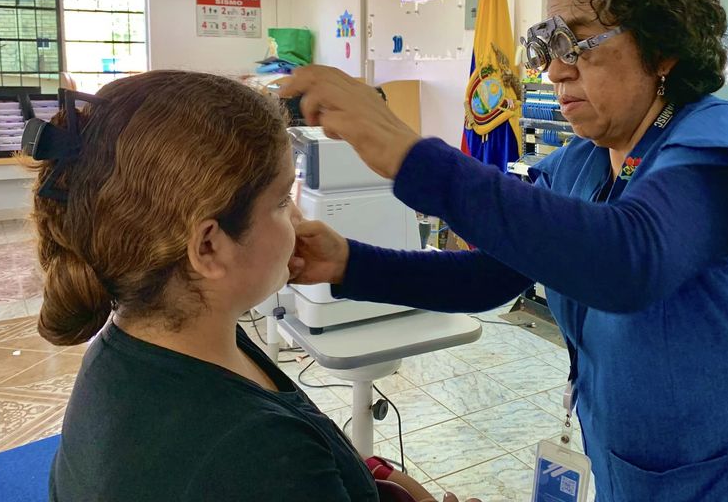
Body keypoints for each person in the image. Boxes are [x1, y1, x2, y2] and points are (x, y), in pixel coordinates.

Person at [281, 0, 728, 502]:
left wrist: (410, 155)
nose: (554, 71)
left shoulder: (727, 145)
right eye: (547, 46)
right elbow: (491, 276)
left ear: (662, 48)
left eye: (576, 43)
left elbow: (630, 261)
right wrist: (348, 264)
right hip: (633, 479)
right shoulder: (583, 161)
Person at [23, 71, 475, 502]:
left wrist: (375, 476)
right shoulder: (260, 459)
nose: (299, 217)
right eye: (281, 202)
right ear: (209, 246)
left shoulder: (150, 342)